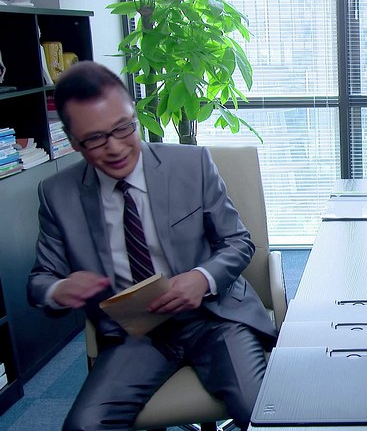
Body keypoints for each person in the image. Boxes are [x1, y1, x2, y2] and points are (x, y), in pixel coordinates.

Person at [27, 61, 278, 430]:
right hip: (135, 335)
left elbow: (237, 242)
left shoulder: (192, 164)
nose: (115, 148)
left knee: (262, 412)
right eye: (95, 139)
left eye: (123, 128)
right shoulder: (57, 194)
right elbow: (40, 280)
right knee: (84, 425)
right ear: (73, 140)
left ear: (134, 114)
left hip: (214, 318)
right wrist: (59, 289)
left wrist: (202, 278)